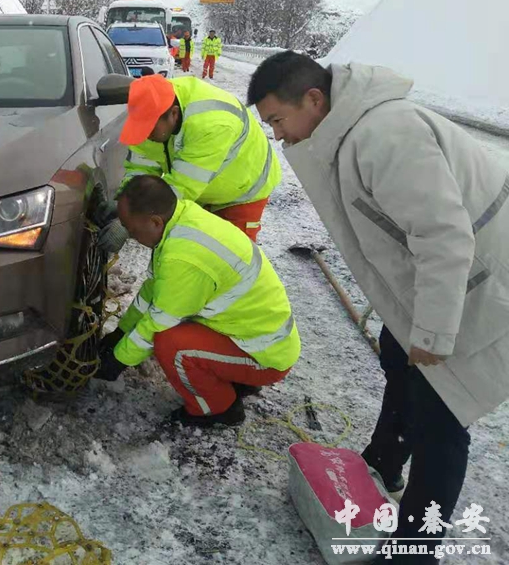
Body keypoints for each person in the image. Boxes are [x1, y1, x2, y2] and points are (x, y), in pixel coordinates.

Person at [247, 51, 509, 563]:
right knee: (397, 357)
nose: (277, 135)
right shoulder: (348, 131)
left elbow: (443, 236)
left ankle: (414, 550)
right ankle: (385, 459)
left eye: (278, 120)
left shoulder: (385, 135)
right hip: (442, 280)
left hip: (480, 281)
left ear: (314, 99)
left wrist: (432, 333)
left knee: (441, 419)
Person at [93, 175, 301, 427]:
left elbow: (158, 322)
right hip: (247, 335)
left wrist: (118, 360)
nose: (131, 236)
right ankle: (232, 379)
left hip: (265, 356)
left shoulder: (183, 259)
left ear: (155, 221)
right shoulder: (182, 219)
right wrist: (122, 331)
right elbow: (154, 289)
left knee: (171, 344)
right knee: (171, 331)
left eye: (132, 230)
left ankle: (218, 409)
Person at [97, 73, 281, 252]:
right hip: (200, 186)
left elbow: (181, 188)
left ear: (174, 114)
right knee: (190, 248)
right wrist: (125, 202)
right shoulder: (152, 110)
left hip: (242, 191)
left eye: (149, 130)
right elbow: (141, 169)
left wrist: (129, 223)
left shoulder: (211, 125)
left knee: (229, 256)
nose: (146, 136)